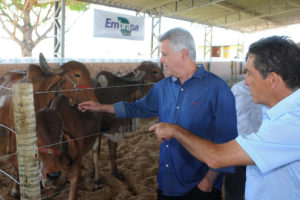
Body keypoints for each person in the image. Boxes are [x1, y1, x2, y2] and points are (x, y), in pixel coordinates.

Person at [79, 27, 237, 200]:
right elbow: (137, 108)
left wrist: (207, 183)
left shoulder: (217, 89)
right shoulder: (162, 87)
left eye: (165, 54)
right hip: (166, 183)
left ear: (183, 54)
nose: (161, 60)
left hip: (199, 186)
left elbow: (228, 142)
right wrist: (101, 107)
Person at [151, 36, 300, 200]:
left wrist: (175, 130)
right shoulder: (277, 111)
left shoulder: (294, 122)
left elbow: (217, 157)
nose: (246, 82)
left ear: (273, 80)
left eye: (250, 74)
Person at [224, 80, 263, 200]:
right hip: (237, 149)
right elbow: (226, 116)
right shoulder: (237, 89)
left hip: (259, 153)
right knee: (234, 191)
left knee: (258, 192)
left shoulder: (270, 93)